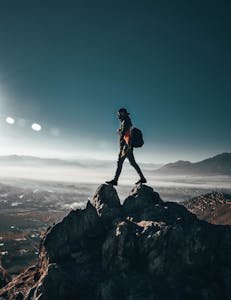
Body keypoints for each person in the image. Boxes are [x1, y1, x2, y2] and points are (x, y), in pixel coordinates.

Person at [106, 107, 147, 186]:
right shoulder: (126, 120)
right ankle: (142, 178)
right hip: (128, 146)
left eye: (119, 114)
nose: (118, 115)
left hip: (125, 147)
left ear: (122, 113)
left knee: (120, 162)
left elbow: (123, 133)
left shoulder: (125, 121)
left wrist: (119, 131)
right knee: (133, 163)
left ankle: (115, 180)